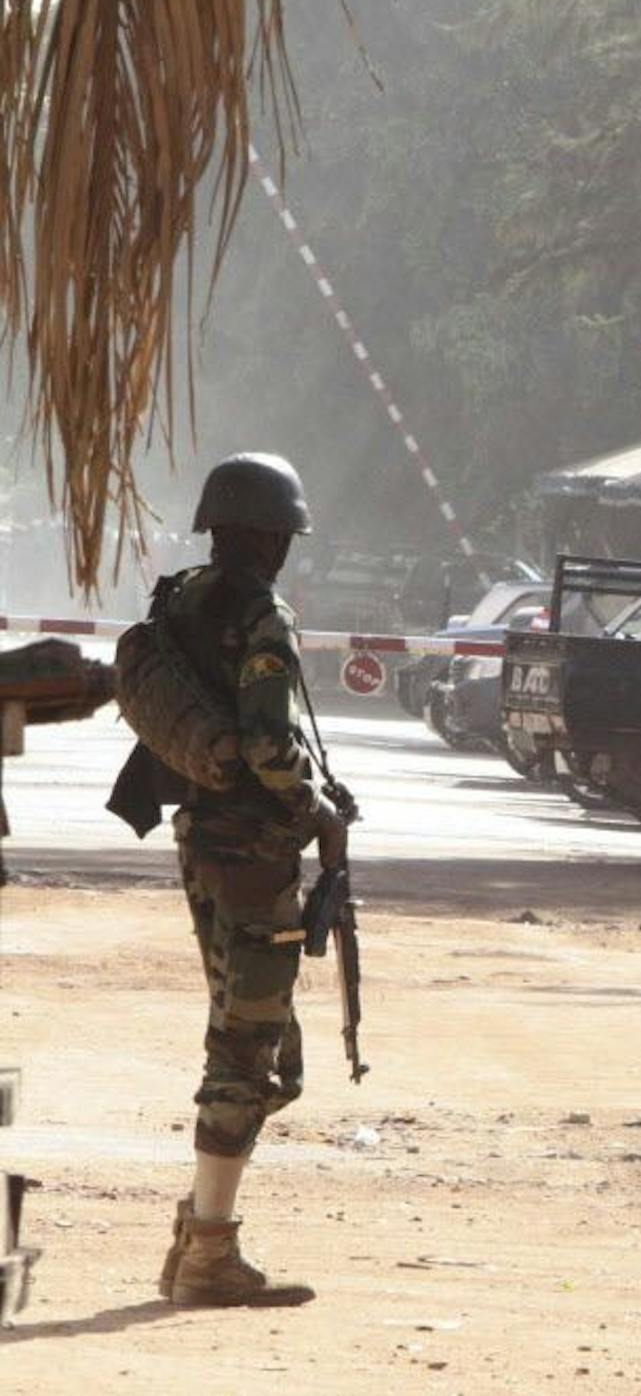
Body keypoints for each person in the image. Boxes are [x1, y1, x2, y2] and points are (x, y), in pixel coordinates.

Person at [160, 453, 348, 1307]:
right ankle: (209, 1255)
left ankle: (197, 1228)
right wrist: (320, 810)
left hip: (203, 840)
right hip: (253, 856)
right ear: (272, 537)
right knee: (247, 1052)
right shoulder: (263, 616)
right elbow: (271, 745)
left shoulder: (182, 600)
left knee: (261, 1051)